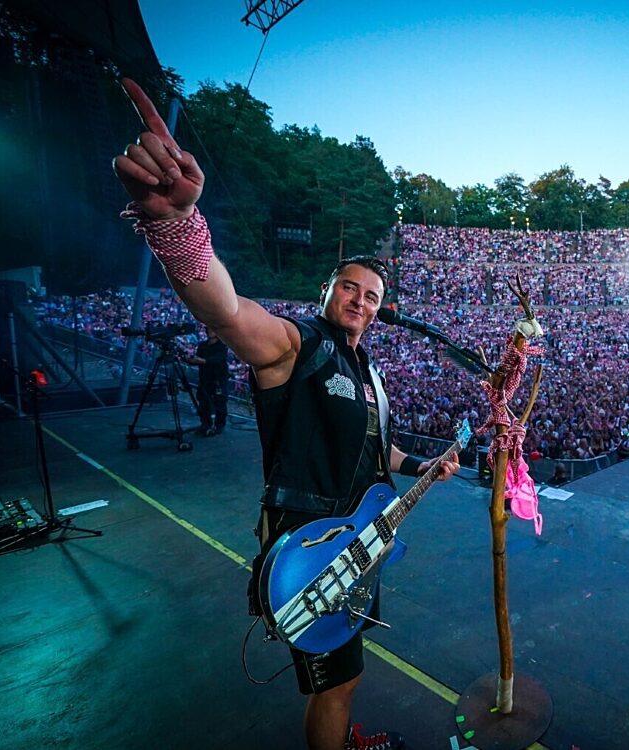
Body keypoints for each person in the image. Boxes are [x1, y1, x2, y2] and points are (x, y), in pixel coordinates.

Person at [112, 78, 458, 750]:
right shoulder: (298, 345)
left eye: (372, 295)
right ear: (324, 293)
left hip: (357, 545)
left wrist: (424, 465)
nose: (360, 300)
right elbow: (226, 311)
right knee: (331, 684)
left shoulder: (370, 376)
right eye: (349, 289)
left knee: (345, 677)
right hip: (309, 546)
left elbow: (376, 455)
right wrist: (175, 226)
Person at [186, 325, 229, 436]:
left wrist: (203, 360)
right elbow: (197, 360)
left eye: (212, 329)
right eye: (208, 329)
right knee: (203, 401)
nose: (209, 331)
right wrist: (189, 359)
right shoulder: (203, 345)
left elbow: (217, 359)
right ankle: (205, 423)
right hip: (205, 378)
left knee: (219, 402)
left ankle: (219, 425)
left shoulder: (222, 346)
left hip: (218, 378)